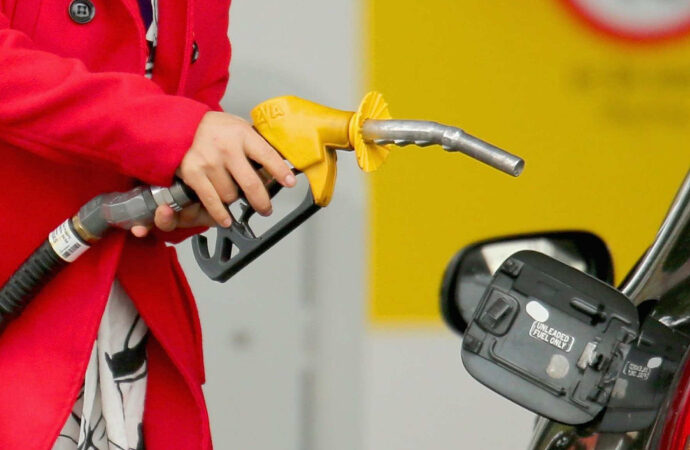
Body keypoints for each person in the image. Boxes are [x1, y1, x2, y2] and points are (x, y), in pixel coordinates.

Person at [0, 0, 293, 447]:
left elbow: (190, 115)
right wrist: (171, 132)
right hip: (22, 318)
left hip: (123, 337)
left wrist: (197, 186)